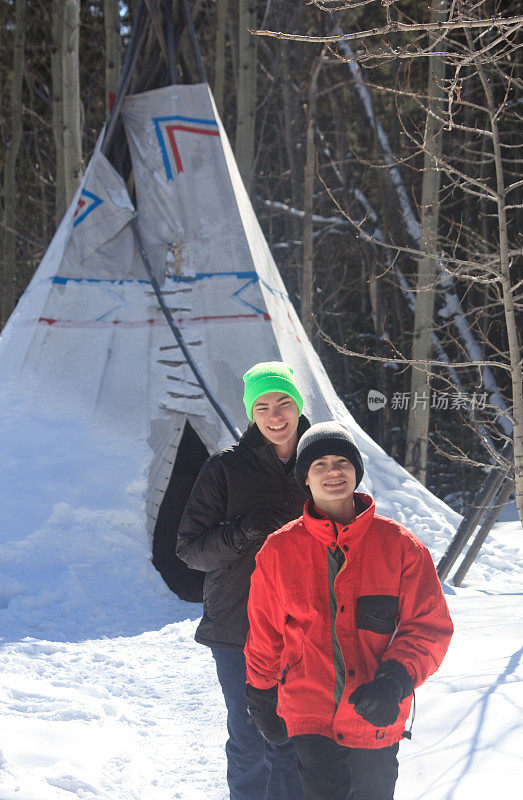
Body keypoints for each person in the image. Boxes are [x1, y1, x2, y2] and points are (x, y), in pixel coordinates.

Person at [244, 421, 454, 800]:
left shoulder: (401, 547)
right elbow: (266, 633)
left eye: (342, 461)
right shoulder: (278, 551)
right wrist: (260, 693)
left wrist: (394, 681)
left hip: (377, 710)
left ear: (356, 470)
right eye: (319, 464)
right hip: (310, 711)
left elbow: (427, 627)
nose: (333, 471)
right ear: (304, 478)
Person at [176, 362, 308, 800]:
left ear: (298, 405)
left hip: (307, 625)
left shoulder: (323, 460)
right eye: (263, 405)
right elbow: (190, 550)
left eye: (284, 402)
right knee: (251, 736)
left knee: (297, 737)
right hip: (240, 625)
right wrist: (246, 529)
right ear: (251, 414)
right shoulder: (225, 469)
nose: (275, 415)